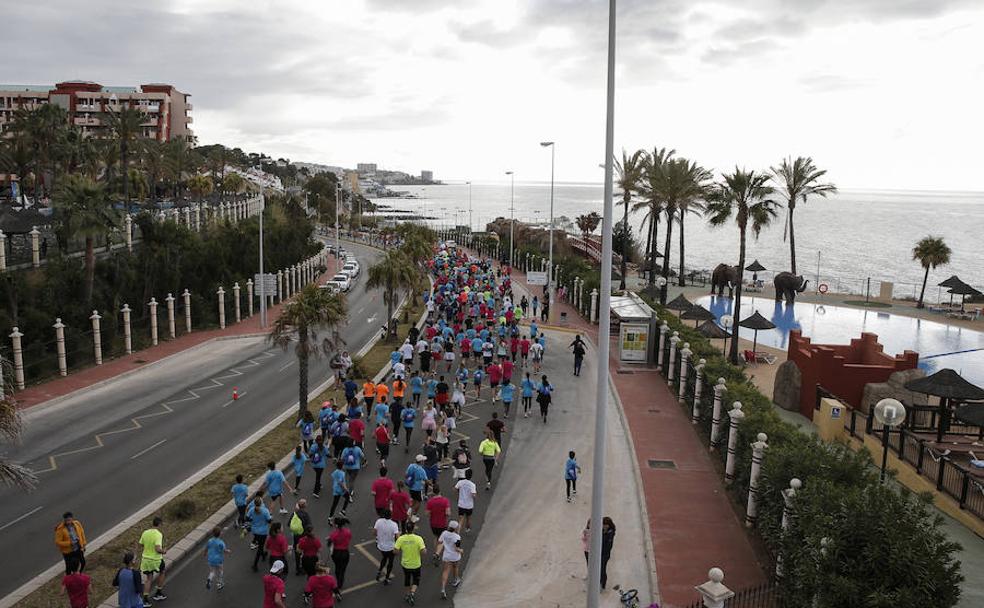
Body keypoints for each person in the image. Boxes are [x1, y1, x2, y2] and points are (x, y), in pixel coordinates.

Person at [394, 521, 427, 606]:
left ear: (406, 529)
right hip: (416, 564)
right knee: (416, 579)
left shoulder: (401, 539)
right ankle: (412, 593)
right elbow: (424, 552)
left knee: (407, 578)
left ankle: (407, 594)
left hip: (405, 564)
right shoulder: (418, 538)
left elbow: (395, 551)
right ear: (413, 528)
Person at [138, 516, 167, 604]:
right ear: (159, 524)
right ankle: (158, 593)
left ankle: (145, 599)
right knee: (162, 572)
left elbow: (141, 544)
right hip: (156, 560)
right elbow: (157, 549)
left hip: (145, 560)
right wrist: (163, 551)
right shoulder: (158, 534)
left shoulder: (145, 532)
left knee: (149, 579)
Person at [437, 521, 464, 599]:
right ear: (455, 528)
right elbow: (456, 548)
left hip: (447, 556)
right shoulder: (457, 537)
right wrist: (461, 551)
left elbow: (439, 541)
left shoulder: (444, 533)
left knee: (445, 571)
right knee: (455, 567)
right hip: (455, 556)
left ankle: (443, 588)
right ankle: (456, 580)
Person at [326, 517, 352, 597]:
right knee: (343, 568)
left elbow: (329, 544)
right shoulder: (348, 532)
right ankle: (340, 582)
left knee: (337, 567)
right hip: (345, 552)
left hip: (336, 553)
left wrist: (329, 540)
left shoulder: (334, 534)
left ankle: (338, 580)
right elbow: (349, 539)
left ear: (336, 525)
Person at [373, 508, 400, 584]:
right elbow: (398, 537)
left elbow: (374, 532)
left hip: (381, 546)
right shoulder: (394, 524)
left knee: (384, 558)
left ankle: (380, 570)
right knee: (390, 562)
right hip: (390, 547)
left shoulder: (378, 521)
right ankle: (387, 577)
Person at [248, 497, 273, 572]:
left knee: (260, 544)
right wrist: (271, 518)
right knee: (260, 547)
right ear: (261, 503)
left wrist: (253, 520)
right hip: (263, 532)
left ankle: (264, 554)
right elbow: (269, 521)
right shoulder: (265, 511)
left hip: (254, 531)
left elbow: (247, 518)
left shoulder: (251, 510)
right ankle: (255, 564)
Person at [289, 500, 313, 574]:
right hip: (304, 535)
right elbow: (309, 526)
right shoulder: (305, 514)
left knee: (297, 551)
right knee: (305, 551)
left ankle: (298, 568)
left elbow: (289, 523)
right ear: (305, 506)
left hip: (296, 535)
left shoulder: (294, 513)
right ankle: (303, 566)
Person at [205, 525, 230, 591]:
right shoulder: (221, 543)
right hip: (218, 560)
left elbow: (206, 548)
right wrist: (228, 551)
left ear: (213, 533)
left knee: (212, 572)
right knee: (220, 571)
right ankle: (219, 583)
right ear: (220, 534)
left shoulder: (210, 540)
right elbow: (224, 550)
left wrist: (205, 553)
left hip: (210, 559)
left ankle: (209, 579)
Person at [455, 469, 478, 534]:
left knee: (460, 519)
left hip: (461, 504)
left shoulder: (460, 482)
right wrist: (474, 495)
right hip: (469, 505)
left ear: (465, 475)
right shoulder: (472, 485)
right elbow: (474, 495)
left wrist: (460, 492)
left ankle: (458, 531)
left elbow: (455, 488)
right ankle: (467, 528)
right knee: (468, 518)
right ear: (471, 476)